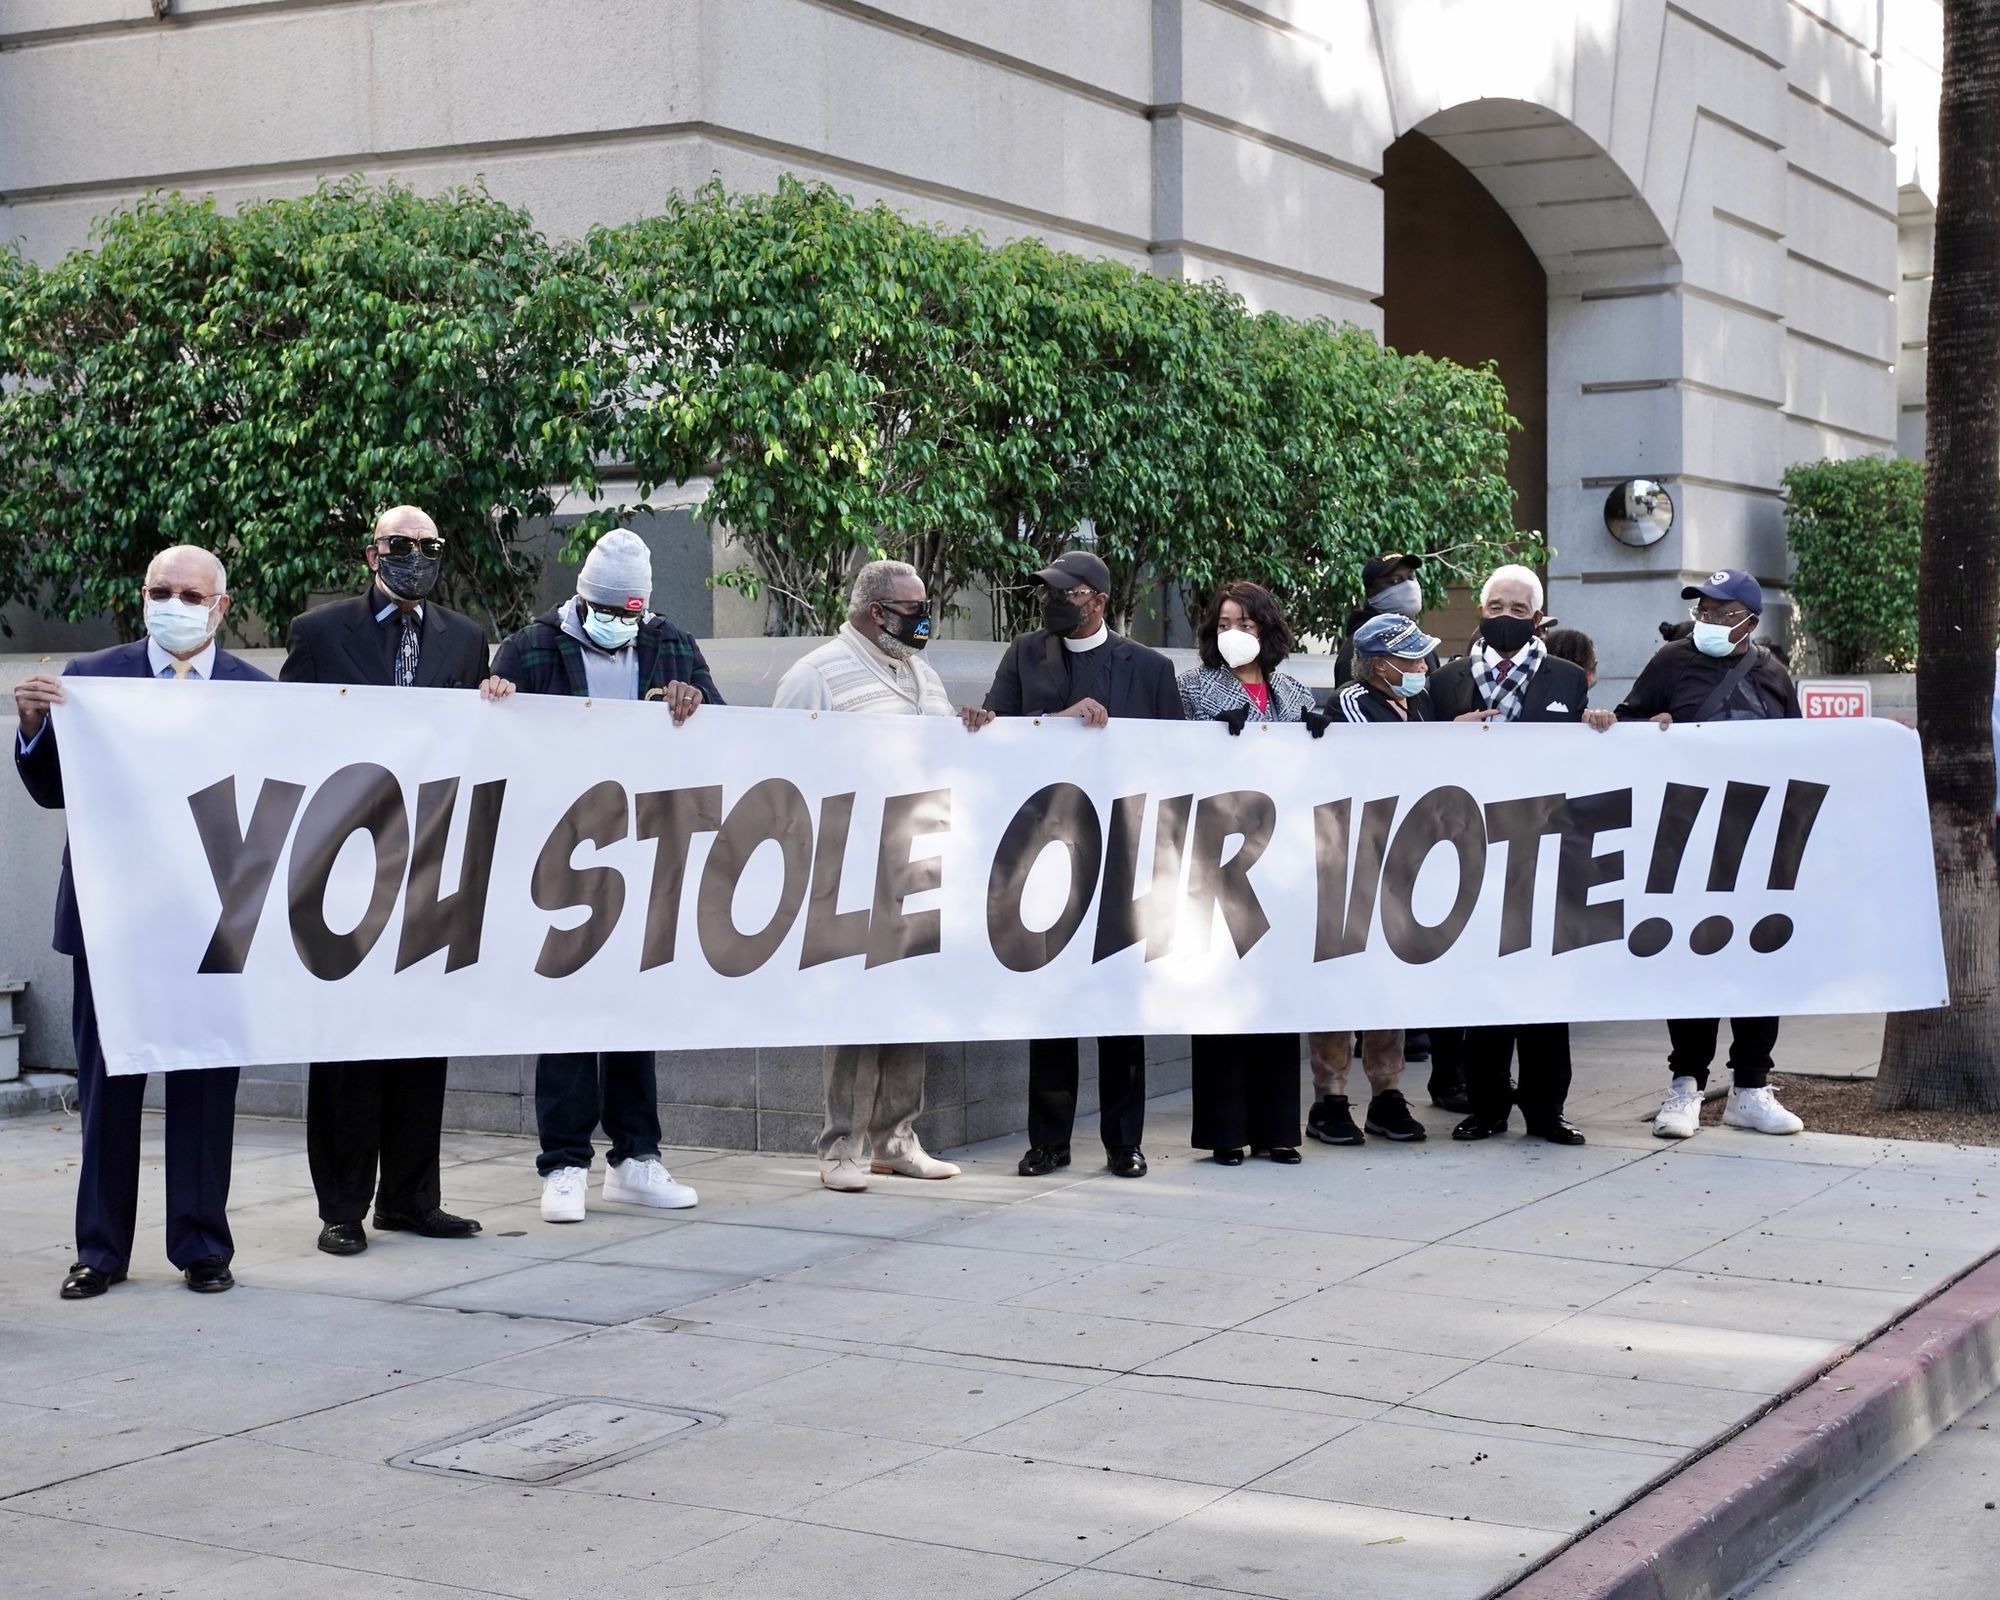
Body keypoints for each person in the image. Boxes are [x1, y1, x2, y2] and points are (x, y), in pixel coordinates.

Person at [14, 545, 264, 1297]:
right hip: (110, 922)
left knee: (204, 1085)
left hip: (213, 922)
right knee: (107, 1090)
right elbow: (56, 790)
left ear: (221, 607)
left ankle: (201, 1246)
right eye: (162, 590)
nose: (175, 604)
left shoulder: (258, 694)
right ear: (142, 595)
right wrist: (31, 728)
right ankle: (100, 1251)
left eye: (193, 595)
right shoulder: (93, 678)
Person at [282, 506, 509, 1255]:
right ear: (372, 554)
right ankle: (342, 1207)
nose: (416, 557)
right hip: (345, 861)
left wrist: (497, 708)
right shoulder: (319, 635)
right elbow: (284, 735)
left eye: (430, 547)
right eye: (402, 546)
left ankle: (412, 1198)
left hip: (433, 858)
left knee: (421, 1035)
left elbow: (479, 743)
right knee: (348, 1046)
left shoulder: (466, 638)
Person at [491, 529, 718, 1223]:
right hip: (555, 853)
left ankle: (635, 1157)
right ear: (579, 598)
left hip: (641, 851)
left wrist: (695, 702)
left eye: (629, 613)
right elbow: (493, 741)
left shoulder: (670, 644)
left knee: (632, 1009)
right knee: (563, 1009)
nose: (616, 624)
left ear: (645, 607)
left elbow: (728, 734)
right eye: (603, 611)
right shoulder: (530, 648)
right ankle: (563, 1164)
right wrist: (496, 700)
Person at [983, 549, 1181, 1179]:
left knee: (1119, 1007)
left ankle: (1125, 1143)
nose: (1051, 601)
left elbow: (1173, 759)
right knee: (1052, 1004)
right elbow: (998, 736)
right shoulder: (1023, 654)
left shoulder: (1148, 668)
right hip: (1044, 854)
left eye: (1065, 592)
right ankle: (1049, 1142)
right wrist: (1055, 723)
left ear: (1096, 598)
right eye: (1049, 591)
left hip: (1123, 851)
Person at [774, 559, 971, 1193]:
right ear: (874, 612)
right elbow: (784, 766)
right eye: (912, 611)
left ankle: (895, 1139)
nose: (923, 621)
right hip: (849, 862)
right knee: (854, 1011)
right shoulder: (817, 674)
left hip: (920, 859)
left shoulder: (924, 674)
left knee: (910, 1006)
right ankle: (840, 1148)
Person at [1617, 567, 1806, 1138]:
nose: (1707, 621)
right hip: (1687, 839)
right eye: (1701, 610)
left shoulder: (1774, 674)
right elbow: (1627, 726)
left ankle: (1750, 1088)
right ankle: (1686, 1088)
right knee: (1693, 956)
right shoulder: (1670, 662)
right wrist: (1647, 728)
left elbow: (1798, 751)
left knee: (1758, 956)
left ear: (1749, 620)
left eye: (1720, 612)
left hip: (1758, 841)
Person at [1428, 565, 1613, 1146]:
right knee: (1485, 988)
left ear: (1537, 616)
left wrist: (1599, 725)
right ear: (1481, 611)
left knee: (1543, 988)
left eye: (1517, 608)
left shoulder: (1565, 677)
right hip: (1471, 850)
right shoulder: (1447, 679)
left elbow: (1582, 760)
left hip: (1546, 849)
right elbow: (1413, 759)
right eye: (1495, 606)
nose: (1505, 617)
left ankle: (1545, 1109)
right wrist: (1445, 737)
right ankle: (1485, 1106)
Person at [1310, 612, 1494, 1146]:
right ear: (1379, 665)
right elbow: (1389, 761)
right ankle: (1331, 1099)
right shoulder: (1352, 701)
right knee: (1342, 986)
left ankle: (1387, 1093)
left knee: (1389, 984)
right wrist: (1443, 738)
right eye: (1410, 658)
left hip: (1401, 865)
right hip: (1351, 865)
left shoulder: (1417, 705)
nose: (1422, 667)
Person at [1177, 582, 1318, 1165]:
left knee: (1276, 996)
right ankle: (1225, 1132)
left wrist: (1322, 736)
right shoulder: (1192, 691)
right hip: (1222, 861)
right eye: (1224, 622)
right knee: (1222, 995)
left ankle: (1277, 1130)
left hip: (1280, 864)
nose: (1234, 632)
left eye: (1247, 623)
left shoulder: (1294, 691)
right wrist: (1210, 740)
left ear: (1268, 629)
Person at [1332, 552, 1432, 686]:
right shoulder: (1361, 649)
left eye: (1411, 577)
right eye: (1396, 581)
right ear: (1371, 593)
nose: (1408, 586)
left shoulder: (1421, 640)